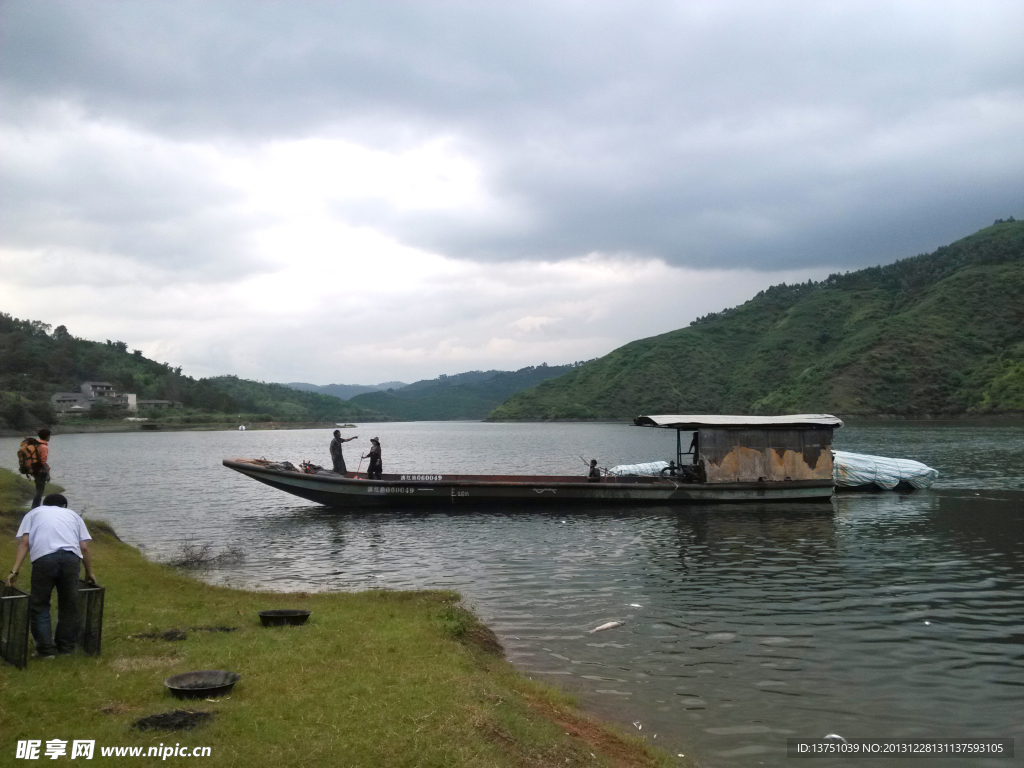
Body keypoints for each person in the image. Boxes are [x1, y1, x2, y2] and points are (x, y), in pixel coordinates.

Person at [5, 493, 96, 658]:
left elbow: (25, 542)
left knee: (40, 605)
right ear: (64, 507)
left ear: (44, 504)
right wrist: (89, 573)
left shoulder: (34, 513)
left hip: (44, 560)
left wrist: (14, 571)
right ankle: (66, 648)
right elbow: (84, 547)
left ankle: (46, 651)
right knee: (69, 605)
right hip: (70, 560)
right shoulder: (74, 516)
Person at [29, 428, 51, 509]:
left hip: (34, 469)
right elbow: (43, 461)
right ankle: (35, 508)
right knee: (40, 491)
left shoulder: (34, 444)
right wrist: (48, 474)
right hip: (41, 470)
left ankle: (35, 507)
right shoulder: (44, 447)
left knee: (38, 489)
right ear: (47, 436)